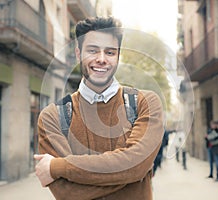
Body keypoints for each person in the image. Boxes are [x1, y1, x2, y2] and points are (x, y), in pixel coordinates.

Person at [34, 16, 164, 200]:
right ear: (78, 54)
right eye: (93, 51)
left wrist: (57, 167)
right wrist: (128, 173)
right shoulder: (53, 116)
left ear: (118, 55)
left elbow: (136, 166)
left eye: (110, 52)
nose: (101, 59)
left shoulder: (146, 103)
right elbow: (67, 193)